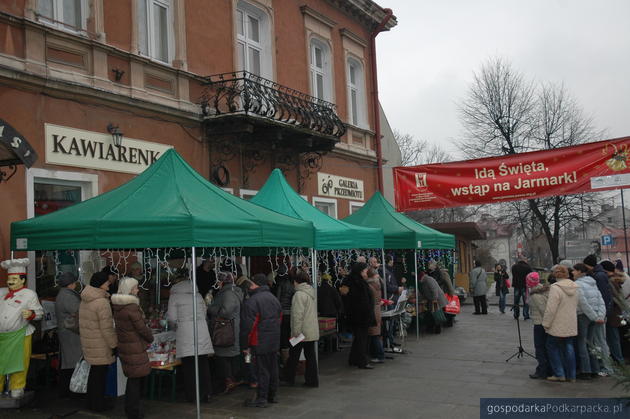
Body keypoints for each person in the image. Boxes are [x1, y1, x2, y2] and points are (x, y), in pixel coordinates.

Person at [0, 258, 44, 399]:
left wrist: (31, 314)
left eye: (14, 278)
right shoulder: (1, 293)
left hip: (20, 334)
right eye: (9, 278)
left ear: (22, 280)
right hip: (2, 336)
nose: (10, 281)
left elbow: (39, 313)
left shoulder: (29, 294)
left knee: (19, 362)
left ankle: (17, 387)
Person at [167, 274, 214, 403]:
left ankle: (193, 395)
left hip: (186, 332)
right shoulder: (197, 294)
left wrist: (174, 326)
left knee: (189, 366)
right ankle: (206, 394)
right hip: (201, 330)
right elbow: (204, 312)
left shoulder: (174, 296)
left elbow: (171, 317)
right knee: (203, 364)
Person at [111, 278, 154, 419]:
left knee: (132, 379)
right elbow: (141, 328)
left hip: (125, 345)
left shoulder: (118, 306)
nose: (137, 290)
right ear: (129, 290)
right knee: (136, 381)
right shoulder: (131, 307)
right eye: (135, 287)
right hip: (134, 346)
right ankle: (134, 411)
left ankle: (131, 409)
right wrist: (150, 337)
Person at [241, 273, 282, 407]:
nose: (250, 286)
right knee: (273, 368)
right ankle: (272, 395)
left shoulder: (252, 301)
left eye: (252, 283)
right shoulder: (273, 298)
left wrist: (245, 344)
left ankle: (262, 398)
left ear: (256, 284)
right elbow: (279, 319)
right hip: (273, 339)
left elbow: (249, 327)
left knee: (262, 370)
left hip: (259, 340)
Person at [79, 271, 118, 412]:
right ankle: (98, 405)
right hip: (100, 343)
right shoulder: (102, 302)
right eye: (107, 282)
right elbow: (107, 328)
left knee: (94, 374)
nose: (109, 284)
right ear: (100, 284)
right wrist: (114, 344)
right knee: (100, 377)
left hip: (90, 342)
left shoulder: (86, 298)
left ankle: (91, 403)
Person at [208, 272, 244, 393]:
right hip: (231, 329)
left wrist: (211, 307)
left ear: (222, 282)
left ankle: (229, 381)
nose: (217, 283)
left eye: (218, 281)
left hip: (226, 330)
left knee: (224, 357)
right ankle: (231, 380)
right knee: (229, 356)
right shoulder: (232, 291)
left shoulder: (228, 293)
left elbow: (226, 312)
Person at [542, 264, 578, 382]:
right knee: (569, 347)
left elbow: (551, 309)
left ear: (555, 274)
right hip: (571, 322)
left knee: (551, 346)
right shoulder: (575, 286)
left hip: (557, 323)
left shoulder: (555, 288)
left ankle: (559, 373)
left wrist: (546, 323)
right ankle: (572, 375)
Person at [283, 270, 320, 387]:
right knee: (311, 356)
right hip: (311, 330)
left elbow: (297, 316)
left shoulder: (299, 294)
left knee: (293, 356)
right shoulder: (310, 292)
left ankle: (288, 378)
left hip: (302, 332)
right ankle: (312, 380)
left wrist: (295, 332)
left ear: (296, 282)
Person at [571, 263, 606, 380]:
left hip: (583, 316)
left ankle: (586, 370)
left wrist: (594, 316)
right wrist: (599, 315)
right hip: (594, 316)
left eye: (574, 271)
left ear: (580, 271)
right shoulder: (593, 283)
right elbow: (600, 300)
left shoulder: (576, 285)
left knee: (582, 343)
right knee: (591, 344)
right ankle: (595, 368)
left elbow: (582, 303)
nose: (572, 273)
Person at [583, 255, 615, 375]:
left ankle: (607, 368)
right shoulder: (599, 274)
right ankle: (605, 366)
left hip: (600, 313)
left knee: (600, 340)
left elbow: (603, 296)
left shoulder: (599, 276)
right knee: (599, 340)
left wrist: (602, 314)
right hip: (600, 312)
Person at [55, 272, 83, 398]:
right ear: (70, 284)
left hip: (67, 332)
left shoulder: (63, 294)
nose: (76, 284)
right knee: (72, 363)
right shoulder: (68, 296)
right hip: (71, 333)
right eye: (74, 282)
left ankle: (66, 390)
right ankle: (70, 391)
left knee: (68, 362)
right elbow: (78, 311)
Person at [345, 262, 376, 369]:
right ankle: (362, 361)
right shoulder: (355, 282)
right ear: (359, 271)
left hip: (360, 315)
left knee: (359, 339)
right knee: (361, 339)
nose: (366, 272)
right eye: (364, 271)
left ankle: (353, 359)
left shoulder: (358, 281)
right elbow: (358, 301)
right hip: (359, 316)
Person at [527, 271, 550, 379]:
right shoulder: (541, 289)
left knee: (540, 347)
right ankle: (544, 368)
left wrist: (546, 323)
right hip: (542, 323)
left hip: (540, 324)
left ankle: (542, 370)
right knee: (544, 347)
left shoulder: (535, 295)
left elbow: (543, 310)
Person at [608, 271, 629, 365]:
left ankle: (619, 359)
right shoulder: (619, 284)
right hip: (621, 313)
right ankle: (622, 358)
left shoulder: (612, 284)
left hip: (615, 314)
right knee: (620, 337)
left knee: (615, 338)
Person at [366, 268, 385, 364]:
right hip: (377, 310)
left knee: (374, 335)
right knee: (376, 334)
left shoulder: (369, 285)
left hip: (373, 311)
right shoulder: (377, 284)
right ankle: (377, 354)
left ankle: (380, 356)